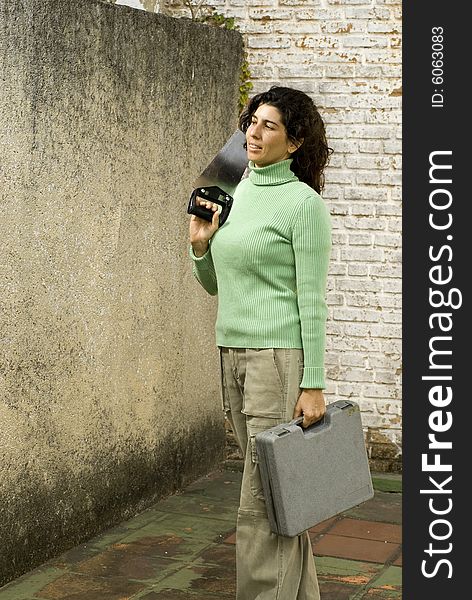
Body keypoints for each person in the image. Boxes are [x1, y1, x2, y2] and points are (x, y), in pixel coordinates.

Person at [188, 86, 332, 600]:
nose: (254, 131)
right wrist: (201, 247)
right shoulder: (232, 191)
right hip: (231, 351)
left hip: (277, 359)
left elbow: (311, 300)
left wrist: (312, 382)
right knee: (279, 493)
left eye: (270, 125)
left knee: (261, 499)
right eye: (253, 120)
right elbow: (215, 285)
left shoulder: (303, 205)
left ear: (294, 144)